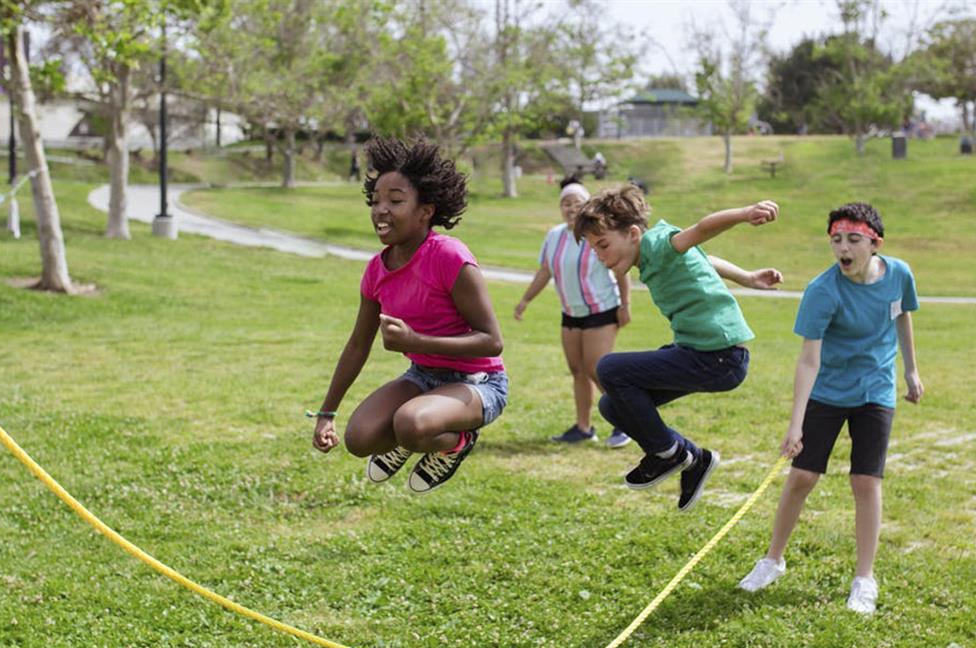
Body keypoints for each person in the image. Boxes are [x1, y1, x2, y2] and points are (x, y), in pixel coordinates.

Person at [738, 203, 922, 615]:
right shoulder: (822, 291)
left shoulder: (899, 275)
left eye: (853, 240)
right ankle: (772, 560)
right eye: (837, 240)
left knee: (865, 482)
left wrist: (911, 371)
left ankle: (864, 579)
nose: (843, 248)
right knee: (802, 475)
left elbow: (902, 316)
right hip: (828, 390)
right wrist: (795, 425)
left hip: (875, 390)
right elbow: (808, 360)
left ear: (875, 244)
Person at [311, 138, 506, 494]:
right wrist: (327, 412)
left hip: (479, 382)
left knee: (410, 424)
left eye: (396, 201)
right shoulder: (376, 270)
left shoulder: (449, 257)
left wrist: (416, 341)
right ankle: (412, 437)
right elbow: (358, 345)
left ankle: (455, 443)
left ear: (425, 210)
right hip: (422, 377)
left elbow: (492, 341)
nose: (381, 210)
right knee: (359, 438)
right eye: (376, 201)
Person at [573, 185, 782, 511]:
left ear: (632, 233)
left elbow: (701, 231)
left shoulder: (658, 242)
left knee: (609, 368)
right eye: (593, 250)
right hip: (701, 354)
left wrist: (744, 214)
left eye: (603, 245)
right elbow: (703, 258)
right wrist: (747, 277)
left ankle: (669, 454)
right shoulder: (653, 256)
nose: (599, 256)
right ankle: (694, 459)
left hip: (719, 356)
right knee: (612, 407)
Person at [514, 178, 631, 447]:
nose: (570, 208)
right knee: (577, 370)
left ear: (587, 206)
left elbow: (619, 270)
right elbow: (545, 271)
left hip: (601, 309)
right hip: (571, 313)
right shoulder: (554, 235)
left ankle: (624, 423)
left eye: (576, 202)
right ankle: (583, 427)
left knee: (597, 369)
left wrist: (625, 305)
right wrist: (525, 300)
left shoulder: (597, 233)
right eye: (565, 203)